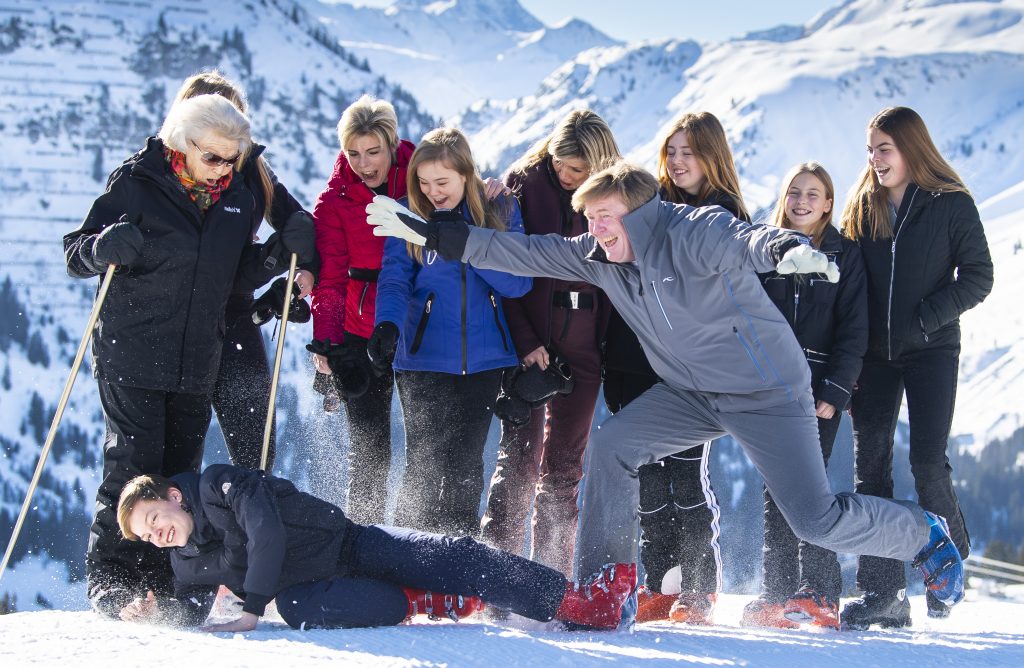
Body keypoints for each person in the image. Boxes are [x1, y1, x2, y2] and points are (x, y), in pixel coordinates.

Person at [365, 160, 967, 625]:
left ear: (639, 212)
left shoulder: (693, 232)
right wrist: (442, 235)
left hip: (767, 393)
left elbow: (747, 240)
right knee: (613, 445)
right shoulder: (602, 256)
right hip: (691, 392)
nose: (594, 232)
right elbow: (530, 250)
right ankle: (609, 584)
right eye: (590, 221)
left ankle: (923, 534)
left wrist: (786, 249)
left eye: (604, 219)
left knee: (814, 519)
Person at [63, 94, 316, 620]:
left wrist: (272, 257)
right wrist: (102, 247)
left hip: (198, 358)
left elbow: (231, 275)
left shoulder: (238, 193)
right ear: (183, 143)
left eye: (234, 159)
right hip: (133, 353)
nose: (226, 170)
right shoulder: (137, 182)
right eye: (215, 158)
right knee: (132, 469)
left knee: (180, 480)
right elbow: (76, 250)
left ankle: (170, 591)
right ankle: (113, 585)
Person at [115, 464, 637, 631]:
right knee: (305, 608)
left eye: (153, 518)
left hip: (352, 543)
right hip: (312, 587)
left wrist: (251, 608)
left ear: (173, 497)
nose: (156, 534)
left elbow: (267, 533)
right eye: (146, 535)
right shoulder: (185, 562)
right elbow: (189, 608)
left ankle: (577, 602)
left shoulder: (217, 485)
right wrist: (156, 612)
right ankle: (428, 600)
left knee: (452, 553)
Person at [839, 106, 993, 629]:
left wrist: (925, 319)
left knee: (928, 462)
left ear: (911, 148)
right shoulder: (864, 207)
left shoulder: (951, 205)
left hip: (931, 350)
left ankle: (949, 567)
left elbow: (978, 276)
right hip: (873, 357)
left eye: (884, 148)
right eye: (870, 150)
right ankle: (883, 594)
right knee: (872, 472)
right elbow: (848, 279)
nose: (875, 160)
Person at [616, 112, 751, 625]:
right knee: (649, 480)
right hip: (643, 360)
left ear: (711, 156)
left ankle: (698, 586)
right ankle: (658, 583)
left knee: (686, 477)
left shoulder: (725, 216)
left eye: (688, 151)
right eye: (671, 151)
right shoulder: (652, 208)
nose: (676, 160)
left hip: (697, 368)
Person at [368, 127, 531, 537]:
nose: (432, 192)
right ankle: (409, 562)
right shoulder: (409, 214)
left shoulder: (499, 209)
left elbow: (518, 283)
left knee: (464, 467)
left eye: (442, 182)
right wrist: (386, 324)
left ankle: (455, 568)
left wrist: (468, 245)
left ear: (466, 175)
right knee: (423, 464)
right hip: (422, 357)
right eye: (423, 182)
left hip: (485, 361)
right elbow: (394, 278)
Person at [479, 110, 620, 578]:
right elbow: (504, 269)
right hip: (531, 337)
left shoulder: (616, 195)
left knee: (563, 469)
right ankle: (494, 578)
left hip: (586, 344)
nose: (566, 176)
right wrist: (524, 341)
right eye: (561, 164)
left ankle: (549, 581)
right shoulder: (523, 184)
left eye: (578, 171)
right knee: (518, 461)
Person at [739, 162, 867, 630]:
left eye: (814, 194)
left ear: (828, 203)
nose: (802, 201)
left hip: (818, 391)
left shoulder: (844, 255)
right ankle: (775, 593)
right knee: (775, 488)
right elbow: (745, 315)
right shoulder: (764, 248)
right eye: (794, 191)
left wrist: (835, 390)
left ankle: (821, 592)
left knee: (810, 491)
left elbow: (855, 331)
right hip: (769, 387)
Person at [173, 71, 317, 472]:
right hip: (182, 321)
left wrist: (304, 274)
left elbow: (300, 224)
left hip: (236, 315)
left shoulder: (253, 168)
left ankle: (250, 531)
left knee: (257, 448)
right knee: (180, 454)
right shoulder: (169, 174)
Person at [308, 95, 415, 525]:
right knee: (368, 451)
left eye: (373, 152)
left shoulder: (420, 178)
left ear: (391, 144)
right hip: (358, 331)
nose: (363, 163)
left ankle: (415, 544)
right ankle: (364, 543)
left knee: (426, 447)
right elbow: (330, 280)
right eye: (353, 153)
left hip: (415, 328)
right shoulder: (334, 201)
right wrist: (328, 345)